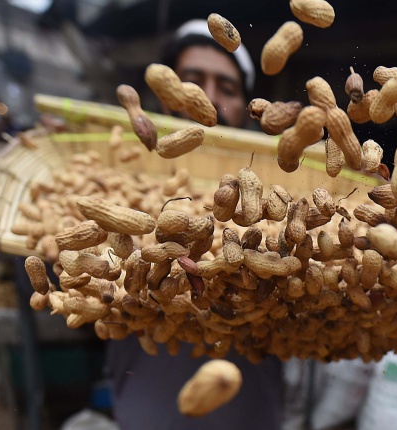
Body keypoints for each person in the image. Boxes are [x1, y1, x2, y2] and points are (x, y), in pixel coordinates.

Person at [105, 20, 283, 430]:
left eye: (228, 87)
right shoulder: (120, 166)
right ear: (163, 96)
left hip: (250, 413)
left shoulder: (275, 183)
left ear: (244, 106)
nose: (209, 97)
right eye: (191, 82)